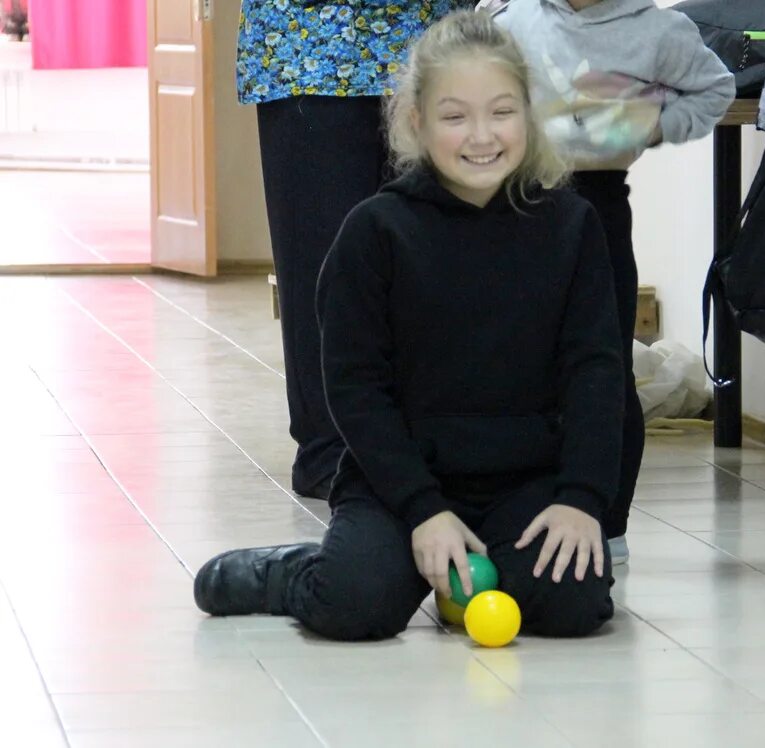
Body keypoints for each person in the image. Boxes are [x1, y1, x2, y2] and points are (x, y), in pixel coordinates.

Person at [194, 11, 624, 641]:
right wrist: (423, 510)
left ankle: (484, 561)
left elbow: (596, 370)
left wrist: (581, 498)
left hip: (522, 479)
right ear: (417, 122)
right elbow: (355, 387)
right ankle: (290, 573)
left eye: (501, 112)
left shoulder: (572, 226)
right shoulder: (375, 232)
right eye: (455, 117)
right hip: (399, 487)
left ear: (529, 115)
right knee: (357, 603)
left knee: (573, 606)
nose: (482, 136)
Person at [491, 0, 735, 563]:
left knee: (603, 365)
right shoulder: (509, 22)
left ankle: (608, 518)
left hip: (599, 205)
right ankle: (522, 502)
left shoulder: (659, 30)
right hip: (516, 208)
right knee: (521, 365)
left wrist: (648, 126)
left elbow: (714, 89)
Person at [237, 0, 453, 499]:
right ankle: (332, 451)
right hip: (310, 48)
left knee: (436, 267)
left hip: (435, 51)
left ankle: (431, 444)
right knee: (323, 269)